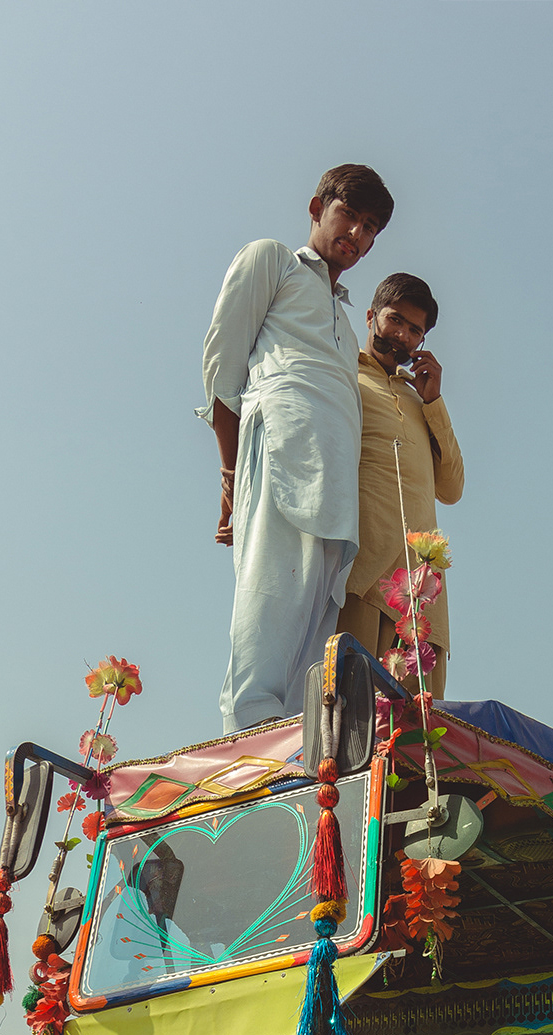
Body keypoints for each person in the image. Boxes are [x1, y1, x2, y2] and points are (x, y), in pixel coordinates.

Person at [199, 164, 393, 731]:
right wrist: (230, 474)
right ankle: (249, 750)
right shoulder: (273, 261)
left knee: (313, 639)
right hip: (280, 454)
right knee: (266, 613)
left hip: (335, 488)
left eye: (370, 227)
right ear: (316, 208)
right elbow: (221, 369)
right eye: (348, 216)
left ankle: (294, 765)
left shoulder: (348, 323)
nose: (356, 234)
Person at [337, 272, 464, 697]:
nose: (403, 336)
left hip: (421, 590)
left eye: (415, 331)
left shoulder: (420, 398)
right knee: (349, 722)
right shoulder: (343, 374)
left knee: (416, 733)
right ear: (371, 316)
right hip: (362, 576)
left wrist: (434, 403)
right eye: (396, 321)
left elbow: (452, 487)